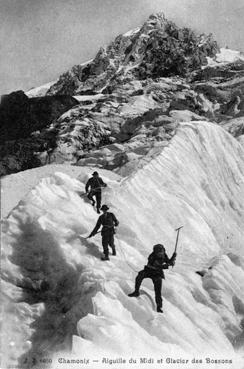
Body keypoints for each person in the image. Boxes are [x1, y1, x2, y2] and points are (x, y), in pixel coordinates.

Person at [128, 244, 176, 313]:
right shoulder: (152, 256)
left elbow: (168, 261)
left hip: (157, 274)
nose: (161, 254)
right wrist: (168, 264)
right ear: (155, 252)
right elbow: (159, 266)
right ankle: (136, 291)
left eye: (161, 252)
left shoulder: (164, 255)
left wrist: (173, 258)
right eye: (159, 252)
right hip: (149, 271)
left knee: (158, 291)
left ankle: (159, 307)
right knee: (140, 276)